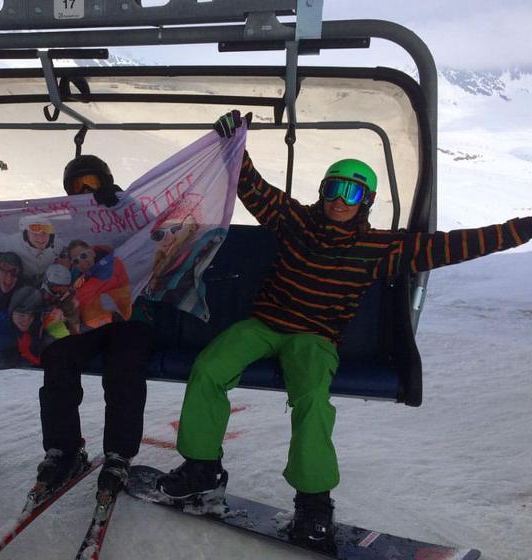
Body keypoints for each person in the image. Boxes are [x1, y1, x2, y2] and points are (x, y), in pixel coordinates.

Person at [156, 111, 532, 552]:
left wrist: (522, 230)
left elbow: (454, 245)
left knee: (312, 399)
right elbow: (253, 188)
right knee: (209, 368)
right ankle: (202, 468)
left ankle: (313, 500)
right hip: (265, 324)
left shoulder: (381, 248)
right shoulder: (295, 221)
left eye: (351, 192)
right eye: (333, 188)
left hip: (314, 337)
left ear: (366, 200)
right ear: (322, 191)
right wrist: (232, 144)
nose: (339, 199)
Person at [33, 155, 155, 501]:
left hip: (126, 315)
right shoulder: (66, 225)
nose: (87, 191)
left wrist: (119, 203)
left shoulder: (128, 211)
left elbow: (153, 234)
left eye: (93, 183)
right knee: (57, 353)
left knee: (125, 364)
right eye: (78, 187)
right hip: (84, 317)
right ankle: (63, 448)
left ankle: (119, 453)